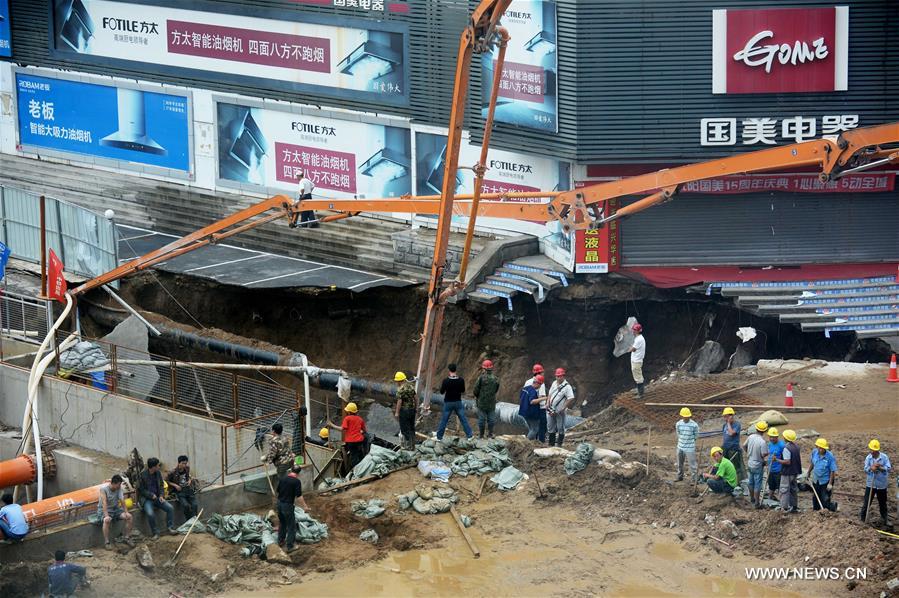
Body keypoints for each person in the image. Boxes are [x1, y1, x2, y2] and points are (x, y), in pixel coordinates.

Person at [276, 465, 310, 553]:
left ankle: (280, 541)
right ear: (299, 473)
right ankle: (290, 546)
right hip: (287, 506)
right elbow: (299, 496)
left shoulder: (283, 479)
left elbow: (278, 491)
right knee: (291, 526)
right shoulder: (296, 482)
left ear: (291, 470)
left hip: (279, 503)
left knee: (282, 523)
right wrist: (305, 507)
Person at [139, 458, 176, 539]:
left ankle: (170, 527)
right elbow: (141, 490)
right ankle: (155, 532)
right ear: (153, 467)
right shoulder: (142, 475)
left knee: (170, 508)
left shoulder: (158, 473)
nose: (159, 467)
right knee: (150, 514)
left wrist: (161, 495)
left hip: (158, 498)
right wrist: (150, 495)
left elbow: (161, 485)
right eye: (157, 465)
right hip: (147, 499)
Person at [436, 363, 473, 441]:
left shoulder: (446, 381)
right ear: (456, 370)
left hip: (448, 403)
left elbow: (442, 392)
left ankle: (439, 437)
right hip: (458, 402)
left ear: (449, 370)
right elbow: (463, 390)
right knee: (463, 419)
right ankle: (470, 436)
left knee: (444, 420)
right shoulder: (461, 380)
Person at [96, 474, 134, 548]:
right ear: (113, 483)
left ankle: (127, 538)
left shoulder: (119, 489)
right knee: (106, 521)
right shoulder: (103, 490)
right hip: (104, 510)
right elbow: (104, 503)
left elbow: (122, 500)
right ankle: (107, 542)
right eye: (118, 484)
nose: (119, 486)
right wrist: (106, 516)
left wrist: (126, 512)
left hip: (115, 509)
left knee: (129, 517)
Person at [861, 439, 891, 527]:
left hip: (881, 485)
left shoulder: (884, 457)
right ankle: (862, 519)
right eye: (871, 450)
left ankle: (885, 519)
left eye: (873, 450)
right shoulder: (868, 458)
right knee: (867, 502)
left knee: (882, 503)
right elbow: (865, 469)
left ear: (877, 450)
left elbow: (888, 468)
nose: (871, 452)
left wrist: (880, 468)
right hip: (871, 484)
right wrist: (871, 468)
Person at [773, 429, 801, 513]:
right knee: (793, 489)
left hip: (787, 472)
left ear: (786, 438)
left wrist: (777, 460)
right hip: (795, 471)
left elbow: (787, 461)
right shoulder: (796, 447)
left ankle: (784, 507)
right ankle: (794, 506)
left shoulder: (786, 448)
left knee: (784, 489)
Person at [807, 438, 838, 512]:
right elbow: (812, 463)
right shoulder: (814, 452)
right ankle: (816, 511)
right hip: (816, 479)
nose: (820, 450)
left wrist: (830, 483)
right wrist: (808, 472)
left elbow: (832, 471)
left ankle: (832, 507)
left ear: (825, 448)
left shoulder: (830, 457)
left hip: (825, 481)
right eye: (819, 448)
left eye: (822, 448)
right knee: (815, 498)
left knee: (825, 499)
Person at [743, 421, 770, 508]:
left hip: (750, 463)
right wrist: (767, 454)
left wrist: (749, 453)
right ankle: (757, 503)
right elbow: (763, 454)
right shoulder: (762, 442)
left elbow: (744, 446)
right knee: (757, 484)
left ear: (756, 429)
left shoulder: (750, 437)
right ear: (764, 431)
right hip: (758, 464)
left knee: (751, 482)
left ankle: (752, 499)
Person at [547, 368, 575, 447]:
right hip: (551, 409)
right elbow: (550, 394)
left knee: (560, 427)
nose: (558, 378)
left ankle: (559, 444)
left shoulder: (567, 387)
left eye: (560, 376)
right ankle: (551, 444)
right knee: (550, 426)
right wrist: (547, 402)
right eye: (557, 376)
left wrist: (563, 407)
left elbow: (571, 397)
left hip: (560, 411)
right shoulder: (554, 383)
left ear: (563, 376)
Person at [473, 360, 500, 439]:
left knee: (482, 420)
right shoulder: (496, 379)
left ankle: (481, 435)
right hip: (491, 403)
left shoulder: (481, 378)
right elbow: (496, 390)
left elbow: (475, 390)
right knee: (491, 420)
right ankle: (490, 434)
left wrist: (478, 396)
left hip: (481, 403)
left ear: (484, 369)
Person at [166, 455, 199, 521]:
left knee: (195, 505)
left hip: (188, 489)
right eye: (183, 463)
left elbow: (189, 476)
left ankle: (195, 521)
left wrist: (189, 481)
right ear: (179, 463)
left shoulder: (187, 468)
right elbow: (166, 481)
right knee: (186, 506)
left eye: (185, 463)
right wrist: (175, 485)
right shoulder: (173, 472)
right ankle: (189, 521)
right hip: (180, 491)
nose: (184, 465)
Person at [339, 402, 367, 470]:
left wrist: (331, 425)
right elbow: (364, 430)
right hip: (360, 441)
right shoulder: (360, 419)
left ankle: (355, 470)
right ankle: (363, 467)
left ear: (349, 412)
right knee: (359, 454)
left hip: (351, 441)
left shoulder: (347, 418)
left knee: (353, 456)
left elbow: (343, 428)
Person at [394, 371, 418, 449]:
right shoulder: (411, 387)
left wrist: (397, 412)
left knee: (404, 428)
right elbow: (416, 398)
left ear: (399, 381)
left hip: (404, 411)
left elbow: (399, 401)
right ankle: (412, 445)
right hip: (412, 410)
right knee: (411, 427)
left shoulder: (400, 389)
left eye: (397, 381)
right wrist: (416, 407)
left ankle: (407, 446)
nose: (396, 383)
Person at [675, 408, 699, 482]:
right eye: (685, 416)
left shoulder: (694, 425)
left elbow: (696, 435)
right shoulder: (678, 424)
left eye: (687, 416)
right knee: (679, 463)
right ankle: (680, 476)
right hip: (680, 447)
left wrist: (690, 442)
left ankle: (694, 479)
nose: (686, 418)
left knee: (692, 465)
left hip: (690, 448)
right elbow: (678, 433)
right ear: (682, 416)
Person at [524, 364, 548, 443]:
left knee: (532, 427)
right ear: (540, 373)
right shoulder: (541, 382)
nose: (543, 373)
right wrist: (546, 398)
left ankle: (534, 442)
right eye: (542, 372)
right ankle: (541, 443)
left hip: (528, 408)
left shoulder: (528, 382)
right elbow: (541, 396)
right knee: (542, 427)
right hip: (540, 408)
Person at [721, 407, 745, 481]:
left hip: (733, 449)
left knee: (735, 466)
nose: (725, 419)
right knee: (725, 465)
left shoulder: (737, 425)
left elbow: (731, 433)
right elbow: (724, 436)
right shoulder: (724, 425)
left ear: (731, 416)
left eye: (726, 417)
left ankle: (738, 481)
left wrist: (728, 423)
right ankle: (728, 480)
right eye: (724, 417)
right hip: (725, 448)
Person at [518, 375, 544, 441]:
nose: (540, 386)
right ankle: (526, 442)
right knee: (535, 429)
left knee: (531, 429)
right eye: (540, 385)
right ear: (537, 383)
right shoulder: (533, 391)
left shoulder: (525, 388)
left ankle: (529, 442)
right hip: (531, 414)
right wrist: (544, 398)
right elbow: (532, 401)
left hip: (523, 412)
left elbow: (521, 397)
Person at [765, 427, 785, 501]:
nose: (772, 439)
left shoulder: (782, 445)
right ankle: (770, 498)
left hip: (778, 470)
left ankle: (781, 501)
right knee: (771, 485)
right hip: (771, 469)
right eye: (770, 437)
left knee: (780, 486)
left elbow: (785, 458)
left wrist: (777, 460)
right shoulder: (770, 444)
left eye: (773, 437)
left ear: (777, 437)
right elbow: (769, 454)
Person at [629, 323, 646, 398]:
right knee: (637, 375)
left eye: (635, 330)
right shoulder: (638, 338)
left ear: (638, 330)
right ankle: (640, 391)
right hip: (635, 360)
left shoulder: (639, 339)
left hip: (637, 361)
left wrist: (628, 348)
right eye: (633, 329)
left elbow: (632, 349)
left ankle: (640, 393)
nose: (633, 331)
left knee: (638, 376)